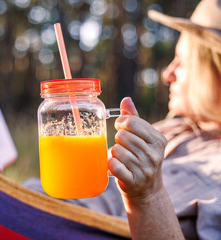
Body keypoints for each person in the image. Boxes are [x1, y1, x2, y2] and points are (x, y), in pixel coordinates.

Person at [24, 0, 221, 239]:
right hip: (27, 203)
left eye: (182, 62)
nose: (168, 74)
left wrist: (150, 195)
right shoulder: (174, 130)